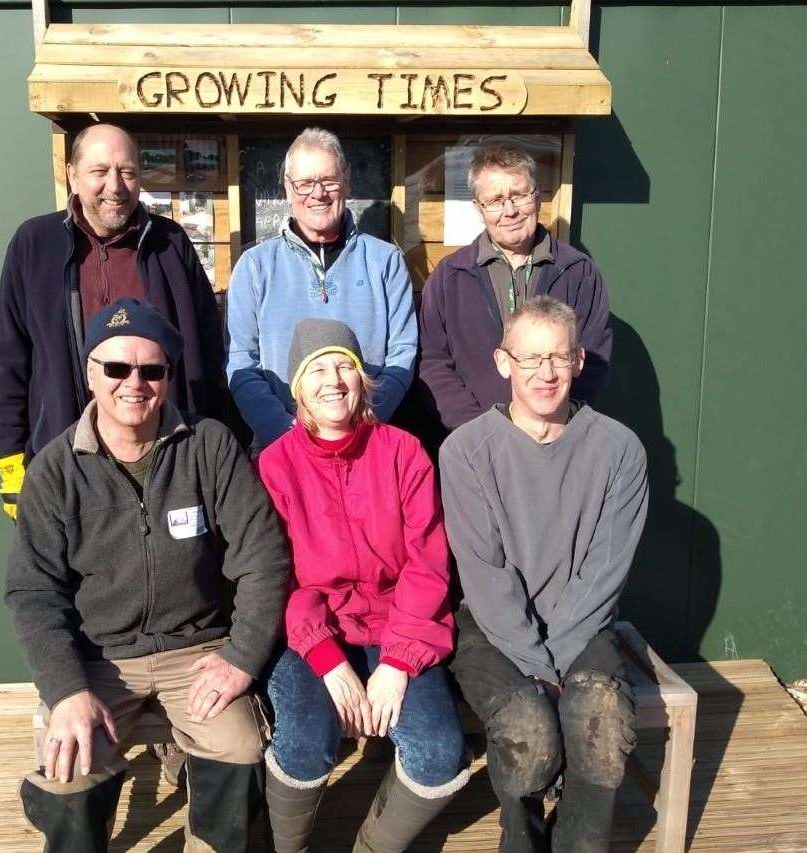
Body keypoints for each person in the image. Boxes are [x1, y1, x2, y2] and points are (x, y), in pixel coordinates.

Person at [5, 298, 289, 852]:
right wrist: (65, 691)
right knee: (70, 770)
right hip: (102, 658)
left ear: (168, 377)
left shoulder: (209, 446)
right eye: (116, 368)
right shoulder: (55, 469)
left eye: (150, 370)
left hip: (199, 649)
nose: (133, 383)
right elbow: (33, 592)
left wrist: (240, 660)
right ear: (91, 373)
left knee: (240, 747)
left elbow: (263, 558)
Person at [439, 296, 647, 852]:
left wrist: (559, 661)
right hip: (491, 627)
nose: (545, 373)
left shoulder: (619, 450)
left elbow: (605, 570)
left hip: (583, 623)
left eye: (557, 357)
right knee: (528, 735)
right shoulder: (466, 451)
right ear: (503, 362)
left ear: (578, 360)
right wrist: (539, 667)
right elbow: (485, 574)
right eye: (529, 358)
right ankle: (522, 839)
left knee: (599, 723)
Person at [257, 318, 469, 853]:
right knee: (304, 743)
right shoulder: (274, 465)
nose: (333, 380)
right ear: (298, 389)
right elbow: (279, 577)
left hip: (400, 624)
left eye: (344, 366)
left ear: (363, 378)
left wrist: (397, 664)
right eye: (317, 370)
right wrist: (328, 662)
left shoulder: (403, 451)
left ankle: (373, 845)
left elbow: (428, 561)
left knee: (438, 750)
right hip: (315, 633)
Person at [0, 123, 225, 520]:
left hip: (165, 459)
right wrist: (12, 467)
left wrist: (214, 451)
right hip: (65, 462)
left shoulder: (170, 244)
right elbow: (10, 361)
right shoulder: (34, 244)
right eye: (99, 171)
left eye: (127, 172)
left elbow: (208, 351)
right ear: (72, 175)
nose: (114, 185)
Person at [226, 127, 417, 450]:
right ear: (288, 188)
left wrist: (362, 425)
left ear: (347, 180)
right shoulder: (255, 266)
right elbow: (241, 360)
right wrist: (288, 436)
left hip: (366, 445)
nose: (318, 194)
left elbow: (403, 353)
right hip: (282, 448)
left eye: (329, 180)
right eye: (304, 183)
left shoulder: (386, 261)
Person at [418, 145, 611, 435]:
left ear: (537, 195)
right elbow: (433, 361)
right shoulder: (449, 278)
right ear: (478, 208)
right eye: (495, 200)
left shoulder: (577, 271)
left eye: (518, 195)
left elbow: (593, 357)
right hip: (472, 444)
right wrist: (478, 431)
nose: (509, 211)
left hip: (556, 439)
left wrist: (552, 423)